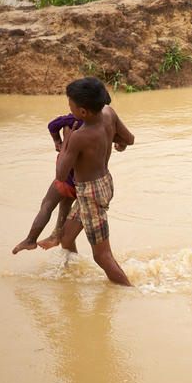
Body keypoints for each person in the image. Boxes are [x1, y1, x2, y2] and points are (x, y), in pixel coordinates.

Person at [50, 77, 135, 285]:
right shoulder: (109, 112)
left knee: (101, 255)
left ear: (83, 112)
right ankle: (71, 277)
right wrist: (119, 143)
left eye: (70, 105)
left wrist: (66, 142)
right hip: (103, 184)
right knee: (67, 238)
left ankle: (131, 291)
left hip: (91, 193)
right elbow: (129, 139)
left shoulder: (80, 136)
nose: (69, 109)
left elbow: (61, 175)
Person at [11, 113, 83, 254]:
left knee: (47, 205)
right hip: (82, 182)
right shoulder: (101, 123)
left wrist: (58, 141)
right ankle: (56, 236)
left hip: (66, 176)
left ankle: (31, 240)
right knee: (65, 204)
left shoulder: (73, 119)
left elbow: (52, 125)